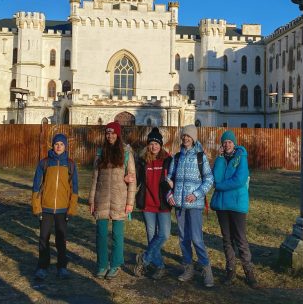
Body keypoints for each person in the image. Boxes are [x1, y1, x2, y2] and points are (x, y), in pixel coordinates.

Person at [167, 124, 215, 288]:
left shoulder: (200, 157)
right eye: (184, 136)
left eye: (189, 136)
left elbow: (209, 179)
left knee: (196, 238)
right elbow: (169, 178)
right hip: (179, 205)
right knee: (183, 238)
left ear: (193, 138)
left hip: (194, 205)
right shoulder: (177, 157)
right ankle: (188, 268)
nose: (186, 138)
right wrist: (169, 194)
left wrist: (196, 194)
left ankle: (206, 269)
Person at [89, 121, 136, 279]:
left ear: (118, 134)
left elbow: (132, 179)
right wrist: (91, 200)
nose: (110, 136)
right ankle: (102, 265)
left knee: (117, 235)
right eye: (108, 133)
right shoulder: (100, 152)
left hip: (119, 199)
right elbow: (95, 178)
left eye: (113, 133)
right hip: (101, 199)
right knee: (101, 234)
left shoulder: (126, 153)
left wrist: (130, 203)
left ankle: (115, 264)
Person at [211, 130, 258, 288]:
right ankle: (230, 270)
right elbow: (216, 177)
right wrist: (219, 158)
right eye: (224, 142)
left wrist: (219, 186)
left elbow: (239, 180)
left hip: (237, 204)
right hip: (222, 205)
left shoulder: (241, 157)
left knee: (240, 239)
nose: (227, 145)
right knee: (227, 239)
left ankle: (248, 271)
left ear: (234, 143)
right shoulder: (221, 158)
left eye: (229, 142)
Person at [31, 133, 78, 281]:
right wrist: (36, 207)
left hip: (63, 209)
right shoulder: (44, 163)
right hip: (46, 208)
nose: (59, 147)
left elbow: (74, 188)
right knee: (43, 238)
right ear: (53, 145)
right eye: (56, 144)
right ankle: (42, 267)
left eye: (61, 144)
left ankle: (62, 267)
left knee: (61, 239)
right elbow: (36, 185)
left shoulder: (70, 164)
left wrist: (71, 208)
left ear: (65, 146)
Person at [133, 127, 173, 279]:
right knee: (152, 237)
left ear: (161, 145)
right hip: (148, 204)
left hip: (163, 204)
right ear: (148, 145)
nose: (154, 146)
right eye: (151, 144)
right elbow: (136, 179)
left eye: (156, 143)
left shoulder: (168, 160)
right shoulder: (143, 160)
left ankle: (144, 258)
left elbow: (173, 177)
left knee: (164, 234)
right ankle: (160, 267)